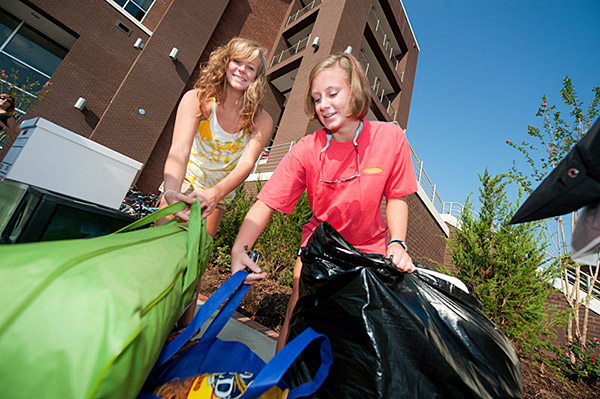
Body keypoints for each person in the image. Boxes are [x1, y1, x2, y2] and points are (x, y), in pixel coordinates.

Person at [230, 53, 418, 351]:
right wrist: (240, 250)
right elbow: (266, 202)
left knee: (354, 334)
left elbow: (397, 196)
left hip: (370, 250)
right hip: (319, 247)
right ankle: (279, 383)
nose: (323, 105)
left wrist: (398, 243)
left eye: (332, 94)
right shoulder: (307, 148)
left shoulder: (390, 137)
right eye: (317, 98)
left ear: (355, 91)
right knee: (299, 304)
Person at [159, 37, 273, 324]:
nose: (242, 70)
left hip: (217, 195)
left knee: (194, 264)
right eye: (237, 62)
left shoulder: (261, 120)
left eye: (251, 67)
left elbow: (246, 165)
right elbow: (179, 149)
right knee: (160, 256)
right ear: (226, 62)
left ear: (257, 77)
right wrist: (172, 191)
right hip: (183, 185)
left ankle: (180, 334)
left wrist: (215, 194)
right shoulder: (196, 99)